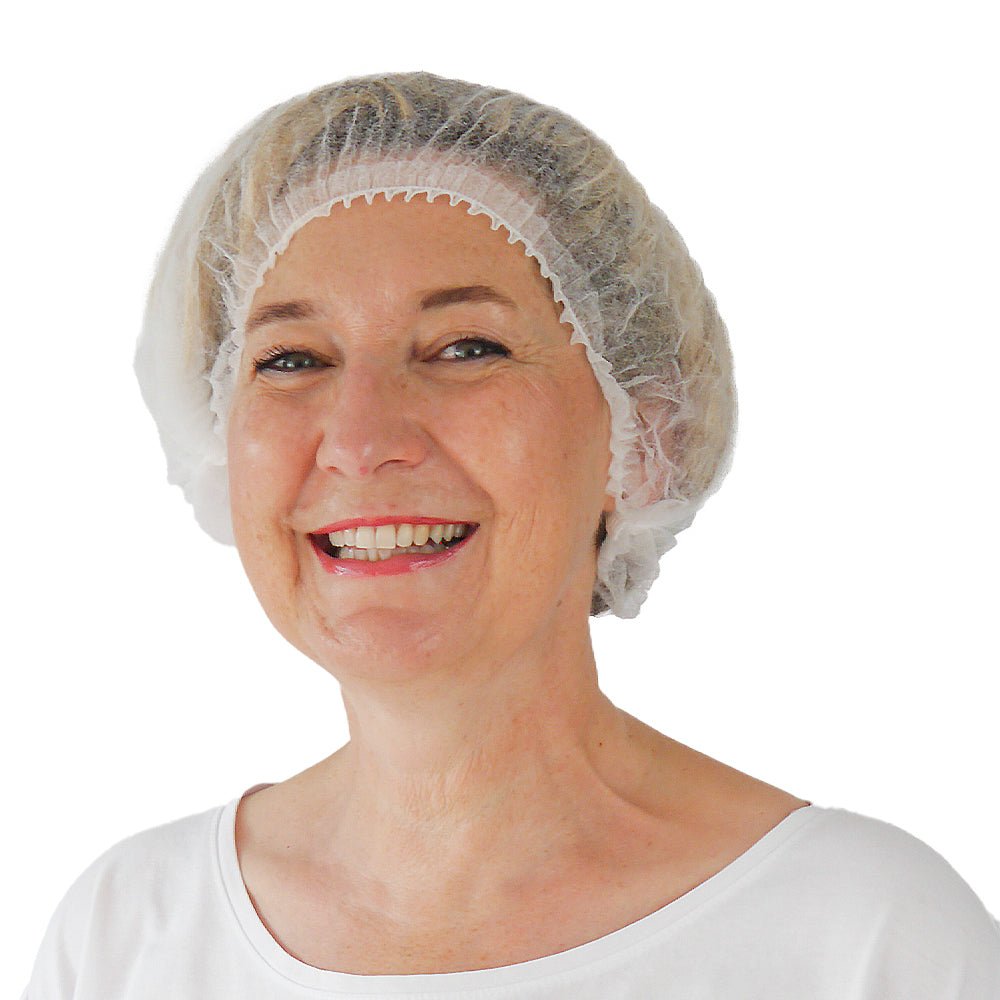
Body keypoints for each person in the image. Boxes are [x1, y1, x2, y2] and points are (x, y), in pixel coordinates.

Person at [21, 71, 1000, 999]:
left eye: (465, 347)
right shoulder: (127, 935)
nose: (362, 441)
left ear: (640, 430)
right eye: (290, 358)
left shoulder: (863, 941)